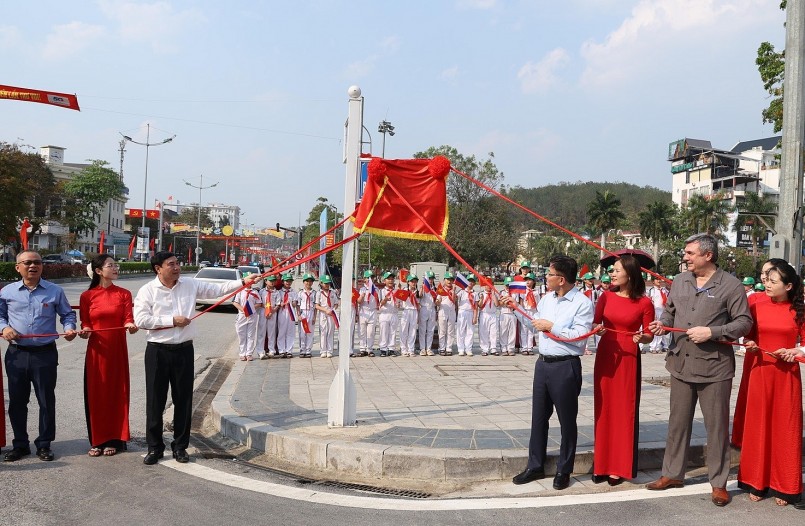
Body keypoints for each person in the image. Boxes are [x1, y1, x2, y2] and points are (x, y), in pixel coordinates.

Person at [646, 233, 752, 507]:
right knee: (677, 423)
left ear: (708, 255)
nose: (685, 257)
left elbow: (743, 323)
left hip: (714, 368)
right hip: (680, 363)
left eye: (690, 253)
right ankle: (672, 474)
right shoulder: (680, 281)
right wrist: (662, 323)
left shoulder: (731, 286)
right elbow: (669, 311)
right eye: (686, 253)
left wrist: (713, 332)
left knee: (716, 428)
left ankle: (718, 483)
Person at [134, 251, 258, 465]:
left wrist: (244, 282)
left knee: (184, 400)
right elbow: (141, 319)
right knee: (155, 401)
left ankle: (180, 446)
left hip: (184, 350)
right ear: (158, 268)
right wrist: (172, 320)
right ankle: (154, 447)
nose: (176, 267)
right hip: (158, 351)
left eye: (177, 263)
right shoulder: (147, 290)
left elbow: (217, 289)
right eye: (171, 264)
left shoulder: (189, 284)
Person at [512, 255, 593, 490]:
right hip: (543, 364)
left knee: (567, 420)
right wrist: (515, 309)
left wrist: (552, 327)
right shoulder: (547, 299)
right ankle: (535, 465)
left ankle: (564, 469)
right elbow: (534, 323)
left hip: (565, 366)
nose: (545, 278)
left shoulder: (581, 303)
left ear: (562, 278)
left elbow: (579, 338)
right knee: (539, 418)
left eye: (549, 274)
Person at [735, 261, 803, 506]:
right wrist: (749, 343)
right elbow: (748, 334)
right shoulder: (755, 302)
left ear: (788, 285)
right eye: (766, 279)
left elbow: (804, 345)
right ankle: (756, 481)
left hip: (786, 377)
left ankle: (785, 485)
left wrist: (794, 351)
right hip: (759, 372)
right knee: (758, 426)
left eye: (773, 281)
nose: (767, 284)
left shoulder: (799, 310)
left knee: (785, 429)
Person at [0, 250, 77, 462]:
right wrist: (4, 327)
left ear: (42, 266)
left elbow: (68, 314)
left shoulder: (54, 291)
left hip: (45, 354)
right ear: (18, 267)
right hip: (17, 353)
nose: (33, 266)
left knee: (45, 400)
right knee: (17, 401)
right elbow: (0, 315)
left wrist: (69, 328)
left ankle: (44, 444)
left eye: (37, 263)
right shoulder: (7, 292)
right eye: (27, 263)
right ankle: (20, 445)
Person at [590, 255, 654, 485]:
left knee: (623, 411)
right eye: (612, 271)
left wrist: (642, 337)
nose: (612, 274)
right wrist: (597, 330)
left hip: (628, 358)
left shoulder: (645, 303)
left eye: (617, 270)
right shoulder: (605, 296)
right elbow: (595, 323)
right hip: (607, 355)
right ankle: (602, 464)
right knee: (604, 408)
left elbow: (648, 334)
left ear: (630, 274)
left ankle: (618, 466)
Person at [79, 254, 138, 457]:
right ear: (98, 271)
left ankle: (115, 439)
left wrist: (130, 325)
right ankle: (97, 439)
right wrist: (85, 329)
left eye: (116, 264)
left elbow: (128, 318)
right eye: (111, 265)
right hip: (97, 351)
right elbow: (85, 322)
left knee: (117, 392)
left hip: (117, 349)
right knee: (97, 394)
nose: (115, 268)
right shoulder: (87, 296)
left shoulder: (124, 294)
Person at [233, 278, 265, 361]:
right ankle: (242, 353)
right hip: (242, 315)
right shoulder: (240, 291)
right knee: (241, 334)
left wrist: (250, 309)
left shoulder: (255, 292)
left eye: (251, 281)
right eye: (248, 281)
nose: (249, 283)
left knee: (251, 335)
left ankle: (249, 353)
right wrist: (243, 310)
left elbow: (259, 303)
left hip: (252, 315)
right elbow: (235, 302)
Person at [275, 274, 298, 358]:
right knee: (281, 331)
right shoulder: (279, 292)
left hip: (291, 313)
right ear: (283, 281)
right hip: (282, 312)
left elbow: (295, 304)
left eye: (290, 281)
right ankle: (281, 350)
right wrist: (282, 303)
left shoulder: (293, 292)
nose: (288, 282)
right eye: (286, 281)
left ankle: (289, 350)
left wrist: (292, 302)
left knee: (290, 332)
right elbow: (277, 303)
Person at [315, 275, 339, 358]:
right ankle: (323, 350)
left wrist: (333, 310)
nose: (327, 285)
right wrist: (325, 310)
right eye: (325, 283)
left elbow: (336, 303)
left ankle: (329, 350)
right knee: (323, 332)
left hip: (331, 314)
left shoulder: (332, 292)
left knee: (330, 332)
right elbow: (317, 306)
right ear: (321, 283)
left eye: (328, 283)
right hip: (323, 314)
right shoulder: (319, 293)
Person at [477, 275, 500, 356]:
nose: (489, 287)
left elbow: (497, 304)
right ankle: (484, 349)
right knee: (484, 332)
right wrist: (482, 299)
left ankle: (493, 348)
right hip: (484, 314)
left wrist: (493, 296)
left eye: (490, 285)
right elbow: (479, 305)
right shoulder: (481, 293)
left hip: (493, 314)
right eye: (487, 285)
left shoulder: (495, 294)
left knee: (493, 332)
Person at [377, 271, 399, 357]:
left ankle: (391, 348)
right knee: (384, 332)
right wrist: (385, 299)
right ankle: (383, 349)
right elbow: (380, 303)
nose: (391, 281)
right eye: (388, 279)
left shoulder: (396, 291)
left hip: (393, 313)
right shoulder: (381, 291)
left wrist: (398, 304)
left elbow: (398, 302)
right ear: (384, 281)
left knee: (393, 332)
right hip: (384, 313)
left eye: (392, 279)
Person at [645, 275, 668, 354]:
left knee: (660, 329)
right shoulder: (652, 290)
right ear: (653, 281)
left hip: (662, 311)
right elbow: (650, 302)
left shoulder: (663, 290)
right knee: (654, 329)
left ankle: (658, 346)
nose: (659, 281)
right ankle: (652, 347)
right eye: (657, 279)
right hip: (655, 311)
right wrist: (653, 312)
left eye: (659, 279)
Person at [358, 270, 379, 357]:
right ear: (364, 279)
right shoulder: (362, 289)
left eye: (372, 278)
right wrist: (362, 296)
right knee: (362, 331)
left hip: (372, 311)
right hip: (363, 311)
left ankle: (369, 349)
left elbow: (379, 301)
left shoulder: (376, 289)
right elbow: (359, 302)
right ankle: (362, 349)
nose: (370, 279)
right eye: (368, 278)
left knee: (370, 332)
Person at [518, 272, 540, 356]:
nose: (528, 281)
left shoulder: (536, 292)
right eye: (526, 280)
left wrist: (538, 313)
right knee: (524, 330)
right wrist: (522, 311)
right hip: (525, 310)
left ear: (533, 282)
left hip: (533, 311)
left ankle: (530, 347)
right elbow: (521, 302)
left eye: (530, 280)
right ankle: (524, 347)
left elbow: (538, 303)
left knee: (531, 330)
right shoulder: (523, 291)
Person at [455, 274, 477, 356]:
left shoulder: (475, 294)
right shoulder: (461, 291)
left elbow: (476, 307)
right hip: (462, 311)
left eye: (472, 281)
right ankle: (461, 349)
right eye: (469, 281)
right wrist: (454, 290)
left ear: (474, 283)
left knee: (470, 331)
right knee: (461, 331)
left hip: (470, 312)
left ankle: (468, 349)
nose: (470, 283)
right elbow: (454, 299)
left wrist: (475, 317)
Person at [436, 272, 457, 356]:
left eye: (451, 280)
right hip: (442, 311)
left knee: (450, 331)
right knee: (442, 331)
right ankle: (441, 348)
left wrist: (454, 291)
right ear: (444, 280)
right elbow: (437, 301)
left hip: (451, 312)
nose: (449, 281)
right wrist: (438, 302)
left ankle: (449, 347)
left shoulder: (454, 290)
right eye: (448, 279)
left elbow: (455, 300)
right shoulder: (441, 289)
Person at [398, 274, 419, 356]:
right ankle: (403, 349)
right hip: (406, 311)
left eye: (415, 281)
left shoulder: (418, 292)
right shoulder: (405, 290)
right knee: (404, 330)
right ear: (408, 282)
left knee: (412, 331)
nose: (413, 283)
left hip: (414, 311)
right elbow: (399, 300)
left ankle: (411, 349)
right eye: (412, 281)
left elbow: (419, 303)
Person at [418, 271, 437, 356]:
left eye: (432, 278)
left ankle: (429, 348)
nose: (431, 280)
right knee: (422, 330)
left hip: (432, 309)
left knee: (430, 330)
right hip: (424, 309)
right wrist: (422, 288)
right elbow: (420, 296)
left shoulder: (435, 289)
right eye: (429, 278)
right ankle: (422, 348)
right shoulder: (423, 287)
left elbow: (436, 300)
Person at [499, 277, 517, 356]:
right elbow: (499, 304)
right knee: (503, 332)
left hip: (512, 314)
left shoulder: (515, 293)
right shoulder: (501, 293)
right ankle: (503, 348)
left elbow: (517, 304)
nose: (508, 286)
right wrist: (506, 302)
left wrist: (513, 304)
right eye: (506, 285)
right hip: (504, 313)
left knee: (512, 332)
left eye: (509, 285)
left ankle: (510, 348)